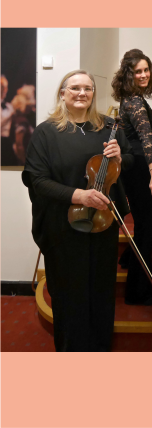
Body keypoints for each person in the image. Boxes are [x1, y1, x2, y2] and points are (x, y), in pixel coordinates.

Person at [22, 70, 132, 351]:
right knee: (70, 297)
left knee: (100, 293)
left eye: (88, 88)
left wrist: (121, 157)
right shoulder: (47, 132)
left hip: (102, 224)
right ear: (63, 93)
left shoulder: (109, 127)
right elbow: (36, 179)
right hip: (63, 227)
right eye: (75, 88)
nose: (82, 93)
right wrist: (78, 195)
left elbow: (130, 165)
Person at [112, 49, 152, 305]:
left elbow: (148, 129)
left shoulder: (134, 99)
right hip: (136, 168)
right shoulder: (135, 102)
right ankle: (136, 290)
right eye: (138, 71)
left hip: (134, 165)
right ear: (129, 74)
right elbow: (147, 138)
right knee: (148, 224)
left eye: (146, 70)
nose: (144, 74)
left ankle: (129, 257)